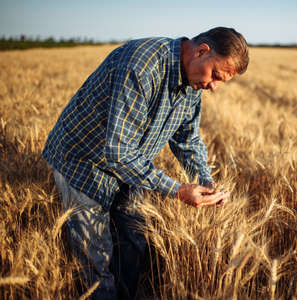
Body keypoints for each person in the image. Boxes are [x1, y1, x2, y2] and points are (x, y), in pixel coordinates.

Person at [42, 27, 249, 299]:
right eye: (216, 76)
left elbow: (187, 139)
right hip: (83, 161)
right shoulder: (143, 66)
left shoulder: (192, 82)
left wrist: (205, 179)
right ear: (201, 51)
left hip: (130, 167)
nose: (214, 87)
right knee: (96, 261)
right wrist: (176, 189)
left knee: (134, 242)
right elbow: (117, 150)